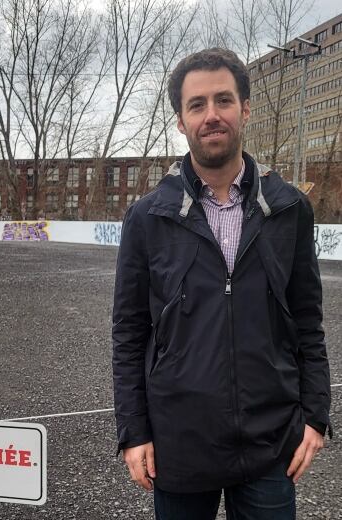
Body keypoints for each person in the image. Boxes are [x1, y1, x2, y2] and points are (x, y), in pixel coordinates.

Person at [111, 48, 331, 519]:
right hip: (179, 444)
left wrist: (315, 416)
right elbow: (129, 333)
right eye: (197, 105)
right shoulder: (148, 217)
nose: (211, 115)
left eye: (224, 100)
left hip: (270, 445)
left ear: (245, 109)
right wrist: (134, 431)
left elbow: (308, 322)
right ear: (180, 120)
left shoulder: (290, 209)